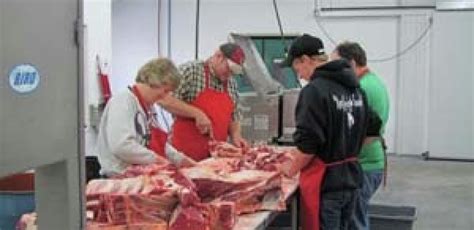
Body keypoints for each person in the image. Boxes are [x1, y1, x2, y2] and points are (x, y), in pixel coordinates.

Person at [281, 34, 374, 230]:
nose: (297, 73)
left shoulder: (314, 91)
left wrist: (287, 171)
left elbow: (308, 146)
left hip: (326, 185)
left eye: (296, 66)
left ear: (306, 60)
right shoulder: (355, 89)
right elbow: (373, 130)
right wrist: (346, 148)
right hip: (351, 179)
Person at [331, 41, 390, 230]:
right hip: (370, 162)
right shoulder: (373, 82)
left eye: (337, 64)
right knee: (356, 218)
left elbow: (364, 132)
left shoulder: (362, 88)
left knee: (355, 222)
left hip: (365, 165)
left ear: (353, 63)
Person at [159, 43, 248, 162]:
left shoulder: (231, 84)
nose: (229, 75)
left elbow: (234, 115)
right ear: (218, 56)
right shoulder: (191, 71)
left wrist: (236, 135)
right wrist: (196, 113)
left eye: (233, 73)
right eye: (228, 69)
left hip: (216, 158)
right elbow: (163, 99)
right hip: (184, 156)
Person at [96, 58, 181, 177]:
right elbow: (121, 146)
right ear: (154, 81)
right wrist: (158, 160)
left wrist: (182, 160)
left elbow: (160, 144)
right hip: (118, 181)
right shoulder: (123, 101)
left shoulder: (148, 107)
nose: (165, 96)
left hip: (139, 177)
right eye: (165, 90)